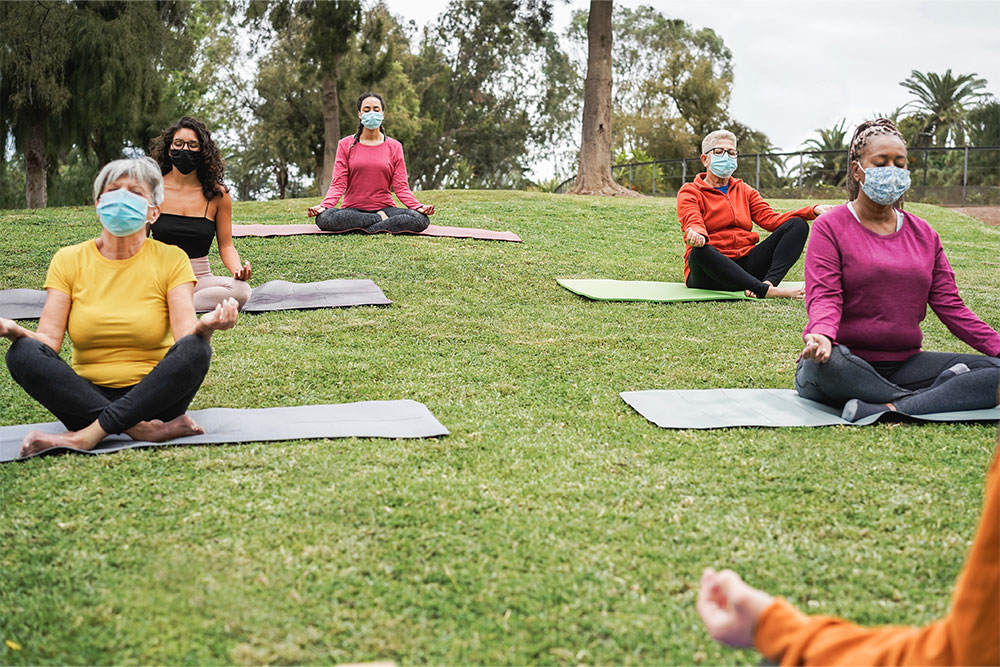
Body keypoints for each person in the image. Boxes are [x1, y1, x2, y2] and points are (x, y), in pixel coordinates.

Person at [1, 157, 239, 457]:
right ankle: (142, 430)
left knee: (197, 348)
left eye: (135, 193)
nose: (122, 198)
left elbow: (184, 338)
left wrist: (206, 327)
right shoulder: (68, 259)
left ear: (154, 211)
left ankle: (84, 438)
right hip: (84, 400)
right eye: (113, 190)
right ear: (98, 203)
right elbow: (48, 342)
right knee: (22, 352)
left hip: (156, 397)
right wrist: (12, 329)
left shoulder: (172, 258)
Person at [697, 431, 999, 665]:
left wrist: (774, 629)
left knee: (985, 378)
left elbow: (962, 658)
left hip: (901, 375)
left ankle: (896, 401)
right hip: (849, 371)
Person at [796, 119, 1000, 422]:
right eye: (881, 162)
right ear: (857, 170)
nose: (892, 169)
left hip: (906, 364)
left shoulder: (924, 234)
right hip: (843, 360)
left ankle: (888, 408)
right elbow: (824, 295)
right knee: (825, 366)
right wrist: (822, 335)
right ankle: (933, 398)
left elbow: (953, 307)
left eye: (899, 163)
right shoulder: (830, 226)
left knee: (996, 373)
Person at [677, 130, 833, 299]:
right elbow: (692, 219)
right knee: (699, 252)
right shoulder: (690, 191)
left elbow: (771, 220)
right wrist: (697, 233)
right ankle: (763, 290)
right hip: (710, 274)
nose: (726, 156)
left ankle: (769, 284)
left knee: (797, 225)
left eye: (731, 152)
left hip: (746, 266)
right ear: (705, 159)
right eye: (719, 152)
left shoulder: (745, 190)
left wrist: (812, 210)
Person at [149, 116, 252, 311]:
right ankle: (170, 303)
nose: (184, 149)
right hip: (159, 277)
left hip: (200, 280)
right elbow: (139, 241)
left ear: (202, 151)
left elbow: (226, 245)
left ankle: (170, 306)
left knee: (241, 291)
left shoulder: (218, 195)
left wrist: (237, 270)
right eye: (178, 143)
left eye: (192, 145)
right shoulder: (153, 189)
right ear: (169, 149)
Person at [306, 92, 435, 233]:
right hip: (352, 210)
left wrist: (417, 206)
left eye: (376, 109)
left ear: (383, 114)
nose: (372, 113)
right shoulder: (345, 144)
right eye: (367, 110)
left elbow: (401, 187)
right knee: (324, 218)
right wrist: (325, 205)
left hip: (385, 208)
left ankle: (364, 227)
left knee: (420, 219)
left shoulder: (395, 146)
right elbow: (338, 184)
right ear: (360, 114)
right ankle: (378, 220)